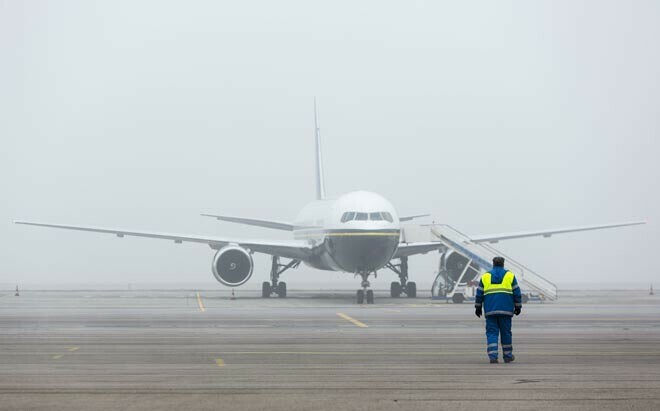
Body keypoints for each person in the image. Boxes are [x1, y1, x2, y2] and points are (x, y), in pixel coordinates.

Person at [474, 256, 522, 363]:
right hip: (506, 310)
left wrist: (478, 307)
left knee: (492, 334)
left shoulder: (485, 276)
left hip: (490, 310)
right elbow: (517, 292)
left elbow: (479, 293)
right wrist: (518, 306)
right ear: (503, 264)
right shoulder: (510, 275)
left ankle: (493, 357)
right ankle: (508, 356)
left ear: (493, 264)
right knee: (506, 333)